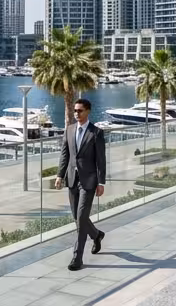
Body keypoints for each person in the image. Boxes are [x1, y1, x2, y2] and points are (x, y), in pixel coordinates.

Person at [54, 97, 107, 272]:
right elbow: (65, 155)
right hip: (71, 179)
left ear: (88, 111)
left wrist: (101, 182)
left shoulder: (96, 133)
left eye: (80, 111)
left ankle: (77, 257)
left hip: (89, 181)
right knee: (77, 218)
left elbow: (101, 160)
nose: (76, 113)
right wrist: (59, 175)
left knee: (82, 218)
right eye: (75, 111)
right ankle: (96, 235)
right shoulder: (69, 130)